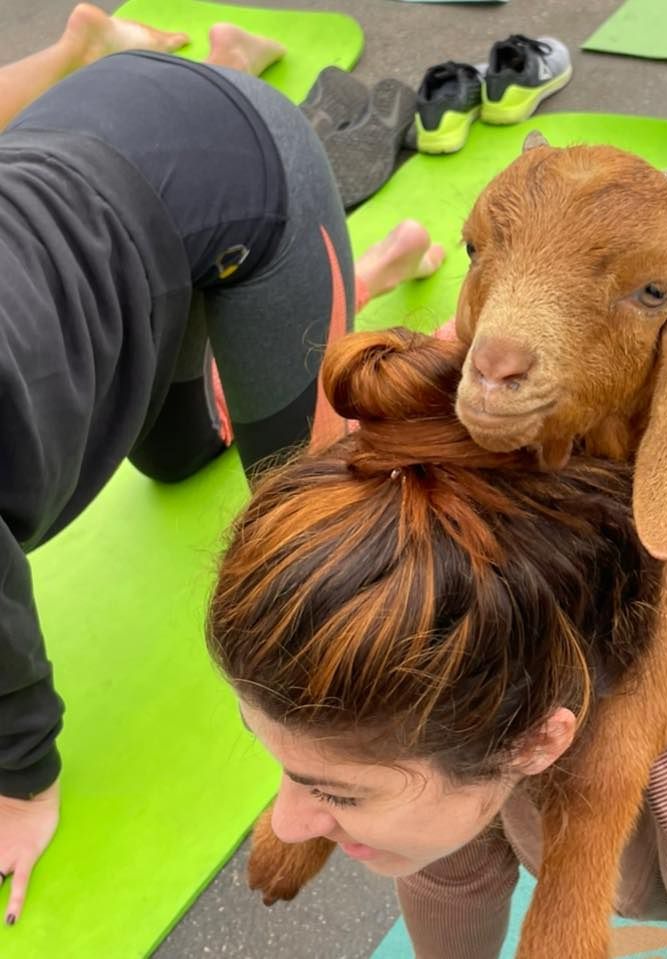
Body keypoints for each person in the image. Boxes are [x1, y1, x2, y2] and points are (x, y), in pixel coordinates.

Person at [206, 325, 667, 959]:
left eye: (336, 789)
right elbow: (449, 851)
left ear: (535, 741)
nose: (285, 824)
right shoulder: (472, 631)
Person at [0, 22, 445, 924]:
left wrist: (21, 780)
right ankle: (349, 286)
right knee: (171, 459)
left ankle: (348, 325)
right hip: (120, 184)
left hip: (242, 175)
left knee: (309, 532)